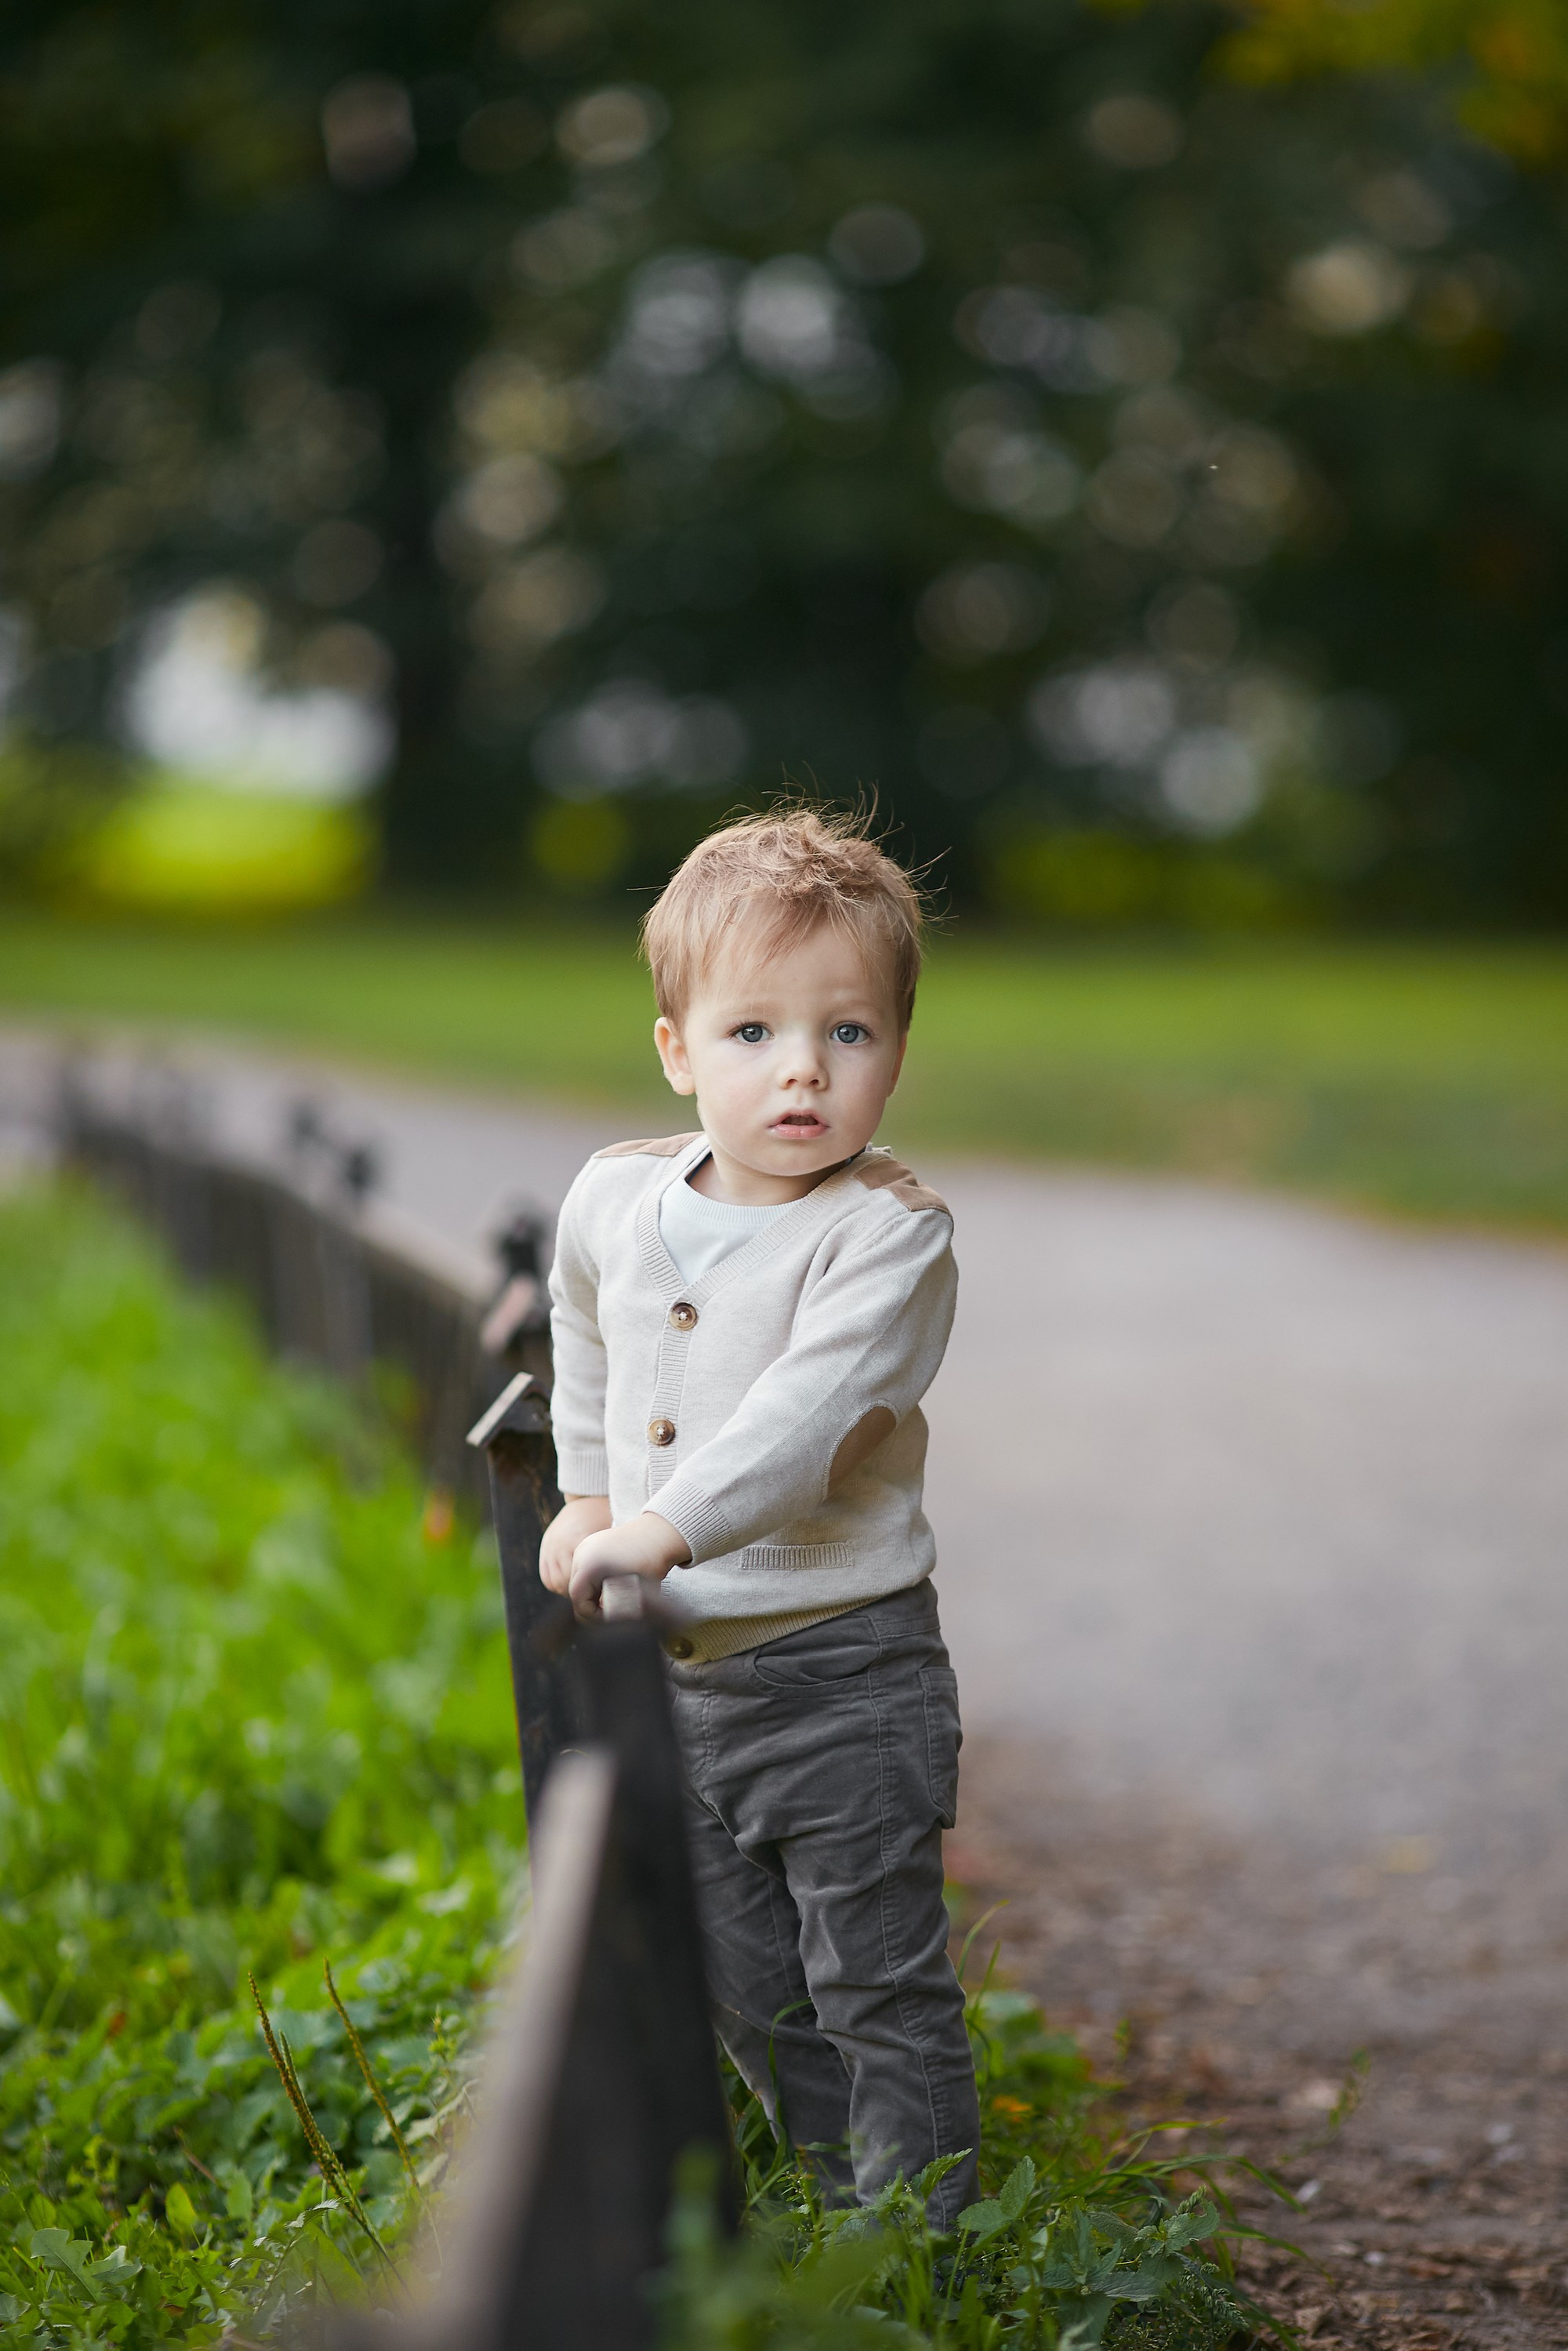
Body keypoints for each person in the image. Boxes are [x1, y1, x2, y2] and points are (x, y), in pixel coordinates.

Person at [539, 804, 978, 2222]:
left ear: (896, 1052)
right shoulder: (617, 1198)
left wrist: (657, 1532)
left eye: (848, 1035)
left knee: (875, 1979)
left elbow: (808, 1424)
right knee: (750, 1983)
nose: (803, 1071)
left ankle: (927, 2242)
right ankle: (832, 2203)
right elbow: (583, 1326)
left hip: (841, 1668)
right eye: (753, 1035)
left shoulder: (887, 1238)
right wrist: (588, 1492)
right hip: (686, 1683)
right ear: (676, 1048)